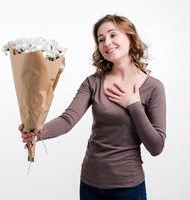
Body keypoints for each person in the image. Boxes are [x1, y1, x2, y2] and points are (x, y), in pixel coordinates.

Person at [19, 14, 166, 200]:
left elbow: (156, 146)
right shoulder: (93, 82)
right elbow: (67, 120)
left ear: (130, 37)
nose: (107, 43)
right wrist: (38, 132)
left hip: (128, 187)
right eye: (101, 39)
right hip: (90, 183)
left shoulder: (153, 87)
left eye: (113, 35)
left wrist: (133, 104)